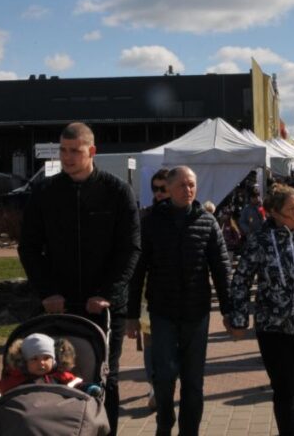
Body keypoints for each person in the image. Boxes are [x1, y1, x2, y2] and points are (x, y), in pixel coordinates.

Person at [18, 122, 141, 434]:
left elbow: (130, 249)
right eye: (63, 150)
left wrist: (107, 293)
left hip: (105, 308)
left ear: (92, 151)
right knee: (59, 376)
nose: (67, 157)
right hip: (59, 305)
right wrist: (47, 291)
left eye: (75, 151)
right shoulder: (45, 192)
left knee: (105, 377)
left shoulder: (117, 192)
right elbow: (29, 247)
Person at [127, 166, 233, 436]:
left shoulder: (207, 222)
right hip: (162, 311)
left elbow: (222, 269)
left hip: (196, 313)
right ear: (170, 188)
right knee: (163, 378)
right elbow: (137, 271)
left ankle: (190, 430)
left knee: (193, 382)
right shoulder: (151, 222)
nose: (188, 190)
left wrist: (229, 311)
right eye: (182, 185)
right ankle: (165, 422)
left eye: (192, 185)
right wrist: (131, 315)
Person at [226, 184, 294, 436]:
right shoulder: (260, 240)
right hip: (272, 328)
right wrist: (239, 319)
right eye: (291, 209)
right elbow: (241, 280)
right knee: (285, 388)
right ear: (274, 213)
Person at [0, 332, 100, 435]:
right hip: (25, 423)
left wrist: (90, 388)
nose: (41, 363)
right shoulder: (13, 380)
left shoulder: (61, 376)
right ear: (24, 361)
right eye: (34, 359)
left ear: (55, 359)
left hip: (59, 420)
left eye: (46, 358)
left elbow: (77, 385)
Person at [136, 169, 170, 412]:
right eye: (155, 189)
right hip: (148, 292)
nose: (158, 194)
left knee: (172, 344)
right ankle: (154, 386)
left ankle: (167, 383)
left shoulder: (187, 215)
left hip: (178, 295)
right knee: (150, 341)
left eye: (163, 189)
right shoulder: (145, 218)